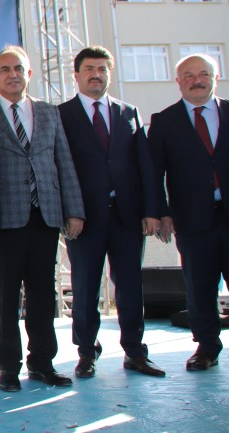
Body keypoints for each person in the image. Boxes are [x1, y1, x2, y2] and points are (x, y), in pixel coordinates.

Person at [0, 45, 84, 392]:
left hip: (45, 215)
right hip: (3, 219)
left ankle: (42, 362)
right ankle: (8, 368)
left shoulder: (49, 112)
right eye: (5, 69)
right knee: (5, 297)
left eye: (18, 69)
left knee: (42, 295)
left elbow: (63, 160)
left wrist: (73, 210)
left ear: (29, 74)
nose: (12, 75)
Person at [59, 47, 164, 378]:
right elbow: (60, 168)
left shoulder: (128, 112)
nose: (96, 75)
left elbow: (144, 165)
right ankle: (86, 353)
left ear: (109, 73)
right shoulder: (62, 114)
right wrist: (69, 212)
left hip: (127, 216)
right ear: (76, 75)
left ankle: (135, 351)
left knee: (131, 287)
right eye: (89, 69)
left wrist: (151, 210)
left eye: (102, 69)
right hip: (84, 218)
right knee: (85, 288)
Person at [148, 53, 229, 371]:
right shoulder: (164, 121)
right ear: (178, 81)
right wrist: (161, 212)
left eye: (203, 74)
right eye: (189, 75)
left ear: (215, 77)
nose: (196, 80)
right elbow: (154, 172)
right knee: (199, 287)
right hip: (192, 219)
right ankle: (207, 347)